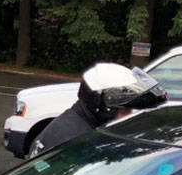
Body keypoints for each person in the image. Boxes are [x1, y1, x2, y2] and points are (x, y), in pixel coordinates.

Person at [29, 63, 167, 157]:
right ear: (102, 106)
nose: (127, 115)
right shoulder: (80, 141)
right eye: (124, 110)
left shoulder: (75, 119)